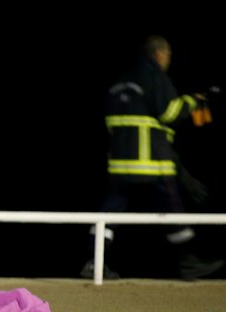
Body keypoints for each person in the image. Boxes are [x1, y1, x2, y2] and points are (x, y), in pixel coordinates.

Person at [80, 35, 224, 281]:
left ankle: (93, 262)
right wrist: (192, 102)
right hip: (152, 162)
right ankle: (189, 261)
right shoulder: (156, 77)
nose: (168, 60)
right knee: (172, 209)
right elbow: (169, 113)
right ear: (160, 54)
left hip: (119, 163)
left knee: (110, 213)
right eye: (168, 56)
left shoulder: (120, 82)